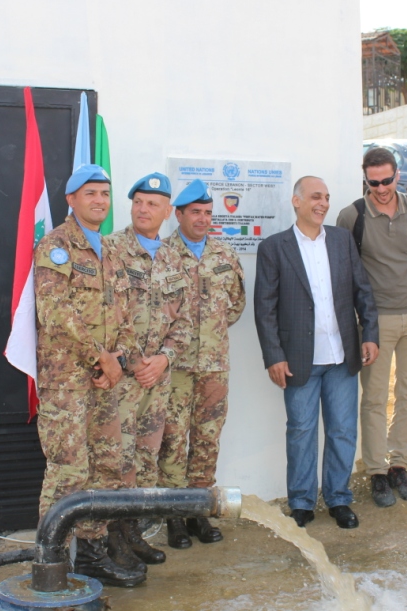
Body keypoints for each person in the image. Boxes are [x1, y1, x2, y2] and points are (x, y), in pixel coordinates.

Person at [32, 164, 142, 587]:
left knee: (106, 466)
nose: (99, 200)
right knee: (68, 471)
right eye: (90, 193)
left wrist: (118, 360)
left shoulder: (111, 250)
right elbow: (55, 313)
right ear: (71, 199)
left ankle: (92, 555)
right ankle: (52, 561)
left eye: (104, 193)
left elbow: (125, 312)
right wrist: (101, 358)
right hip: (67, 382)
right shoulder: (56, 246)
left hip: (104, 380)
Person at [254, 176, 379, 529]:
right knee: (301, 431)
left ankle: (339, 498)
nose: (322, 203)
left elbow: (362, 291)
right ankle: (302, 502)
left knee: (343, 431)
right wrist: (274, 356)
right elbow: (265, 308)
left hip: (342, 357)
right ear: (296, 201)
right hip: (298, 360)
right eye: (315, 197)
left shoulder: (341, 240)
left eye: (326, 197)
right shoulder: (274, 247)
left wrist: (370, 334)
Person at [105, 173, 192, 568]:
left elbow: (185, 321)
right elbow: (106, 315)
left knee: (145, 459)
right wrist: (135, 361)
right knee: (116, 460)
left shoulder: (175, 258)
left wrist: (164, 359)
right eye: (138, 202)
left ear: (167, 211)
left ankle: (132, 533)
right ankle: (112, 540)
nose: (143, 209)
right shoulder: (112, 250)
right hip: (120, 382)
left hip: (157, 383)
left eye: (152, 204)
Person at [336, 148, 407, 507]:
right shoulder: (352, 215)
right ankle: (376, 471)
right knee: (374, 397)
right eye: (373, 182)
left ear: (397, 175)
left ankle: (399, 465)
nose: (381, 188)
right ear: (366, 179)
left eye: (386, 180)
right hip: (377, 321)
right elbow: (344, 266)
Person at [157, 179, 246, 549]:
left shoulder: (225, 255)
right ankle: (174, 516)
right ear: (178, 215)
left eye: (208, 213)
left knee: (207, 440)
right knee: (173, 441)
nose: (202, 219)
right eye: (195, 212)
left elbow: (236, 305)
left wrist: (209, 334)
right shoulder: (161, 254)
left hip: (213, 366)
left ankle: (199, 511)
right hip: (174, 368)